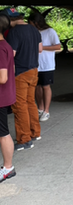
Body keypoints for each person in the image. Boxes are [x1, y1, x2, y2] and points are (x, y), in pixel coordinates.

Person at [1, 8, 42, 151]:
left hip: (20, 73)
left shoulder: (14, 32)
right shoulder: (33, 29)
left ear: (9, 19)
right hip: (33, 70)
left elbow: (10, 55)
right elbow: (40, 49)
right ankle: (35, 132)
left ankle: (24, 139)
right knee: (30, 102)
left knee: (19, 106)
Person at [28, 12, 61, 122]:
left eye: (31, 23)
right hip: (35, 63)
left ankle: (46, 110)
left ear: (36, 23)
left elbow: (58, 46)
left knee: (46, 86)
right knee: (37, 86)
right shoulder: (33, 32)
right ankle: (40, 108)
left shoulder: (50, 31)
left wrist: (42, 47)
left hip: (47, 64)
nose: (30, 25)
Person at [0, 14, 17, 182]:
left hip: (0, 98)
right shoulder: (6, 45)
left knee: (3, 133)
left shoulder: (0, 48)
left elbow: (3, 77)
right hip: (5, 96)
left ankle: (7, 168)